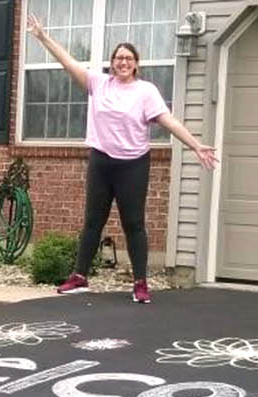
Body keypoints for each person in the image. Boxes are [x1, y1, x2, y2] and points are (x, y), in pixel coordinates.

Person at [26, 14, 219, 303]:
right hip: (101, 162)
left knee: (133, 224)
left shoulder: (145, 92)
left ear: (136, 64)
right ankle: (79, 276)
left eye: (128, 58)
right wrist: (43, 38)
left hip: (133, 165)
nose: (123, 62)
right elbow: (68, 63)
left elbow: (168, 121)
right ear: (112, 62)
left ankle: (140, 283)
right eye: (118, 58)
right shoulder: (98, 83)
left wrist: (195, 145)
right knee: (93, 221)